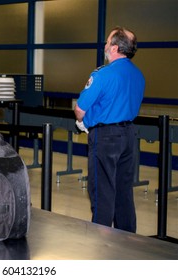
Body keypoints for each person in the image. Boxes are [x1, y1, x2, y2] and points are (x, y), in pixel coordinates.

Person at [74, 27, 145, 233]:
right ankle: (127, 240)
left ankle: (101, 241)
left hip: (105, 138)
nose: (104, 46)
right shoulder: (138, 75)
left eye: (107, 42)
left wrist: (83, 123)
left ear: (114, 48)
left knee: (102, 191)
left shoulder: (103, 74)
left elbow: (80, 109)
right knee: (124, 191)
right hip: (129, 136)